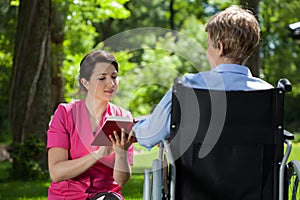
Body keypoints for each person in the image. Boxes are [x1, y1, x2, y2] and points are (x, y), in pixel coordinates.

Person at [132, 5, 273, 149]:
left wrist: (135, 127)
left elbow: (150, 135)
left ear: (220, 47)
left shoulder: (187, 85)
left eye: (208, 45)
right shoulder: (268, 92)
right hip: (252, 170)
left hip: (194, 170)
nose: (207, 51)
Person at [47, 50, 135, 200]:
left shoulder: (123, 118)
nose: (110, 83)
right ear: (85, 83)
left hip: (106, 196)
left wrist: (121, 153)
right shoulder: (65, 114)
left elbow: (121, 181)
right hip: (67, 195)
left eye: (114, 77)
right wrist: (98, 155)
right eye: (102, 78)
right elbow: (56, 173)